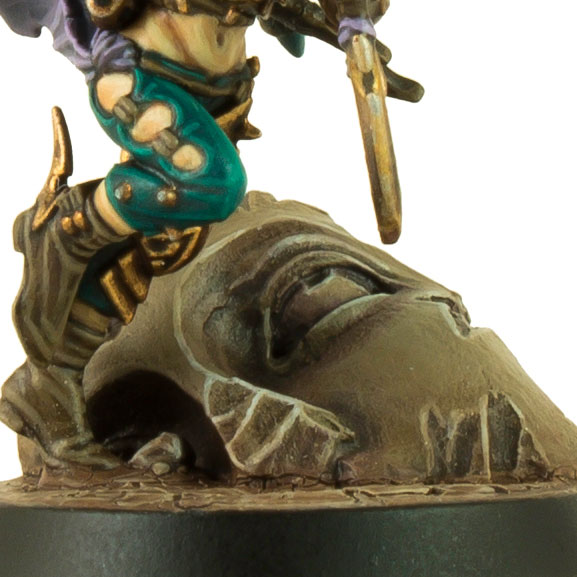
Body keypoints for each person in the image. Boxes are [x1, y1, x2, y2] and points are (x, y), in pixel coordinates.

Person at [0, 0, 422, 469]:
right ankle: (73, 224)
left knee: (153, 245)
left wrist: (350, 20)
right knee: (210, 183)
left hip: (219, 90)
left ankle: (51, 382)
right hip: (141, 81)